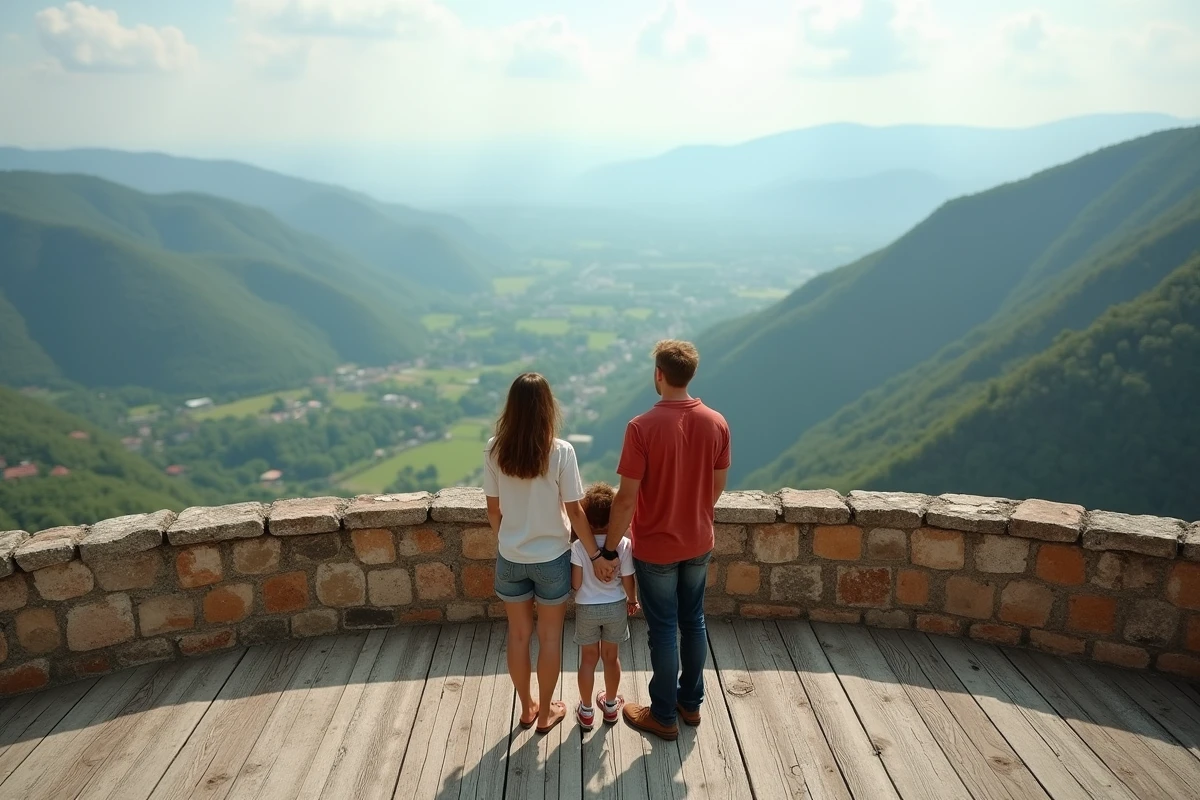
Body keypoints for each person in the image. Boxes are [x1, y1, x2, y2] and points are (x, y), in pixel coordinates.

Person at [605, 340, 730, 741]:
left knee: (662, 628)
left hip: (656, 545)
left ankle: (662, 715)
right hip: (698, 540)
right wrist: (691, 515)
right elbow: (716, 487)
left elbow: (626, 498)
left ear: (659, 374)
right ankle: (690, 705)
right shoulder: (716, 422)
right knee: (693, 620)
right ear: (690, 375)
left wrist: (609, 548)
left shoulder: (640, 427)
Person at [484, 372, 618, 735]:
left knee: (517, 636)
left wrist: (508, 541)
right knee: (549, 638)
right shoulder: (560, 451)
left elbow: (493, 511)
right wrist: (596, 556)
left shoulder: (495, 449)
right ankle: (545, 713)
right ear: (547, 408)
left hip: (511, 558)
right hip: (553, 560)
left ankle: (525, 709)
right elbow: (576, 512)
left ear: (511, 408)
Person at [569, 482, 639, 730]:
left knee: (588, 659)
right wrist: (632, 600)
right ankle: (610, 706)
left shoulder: (578, 547)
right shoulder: (624, 545)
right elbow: (629, 578)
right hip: (615, 607)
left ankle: (586, 710)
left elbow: (576, 584)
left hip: (586, 607)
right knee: (611, 658)